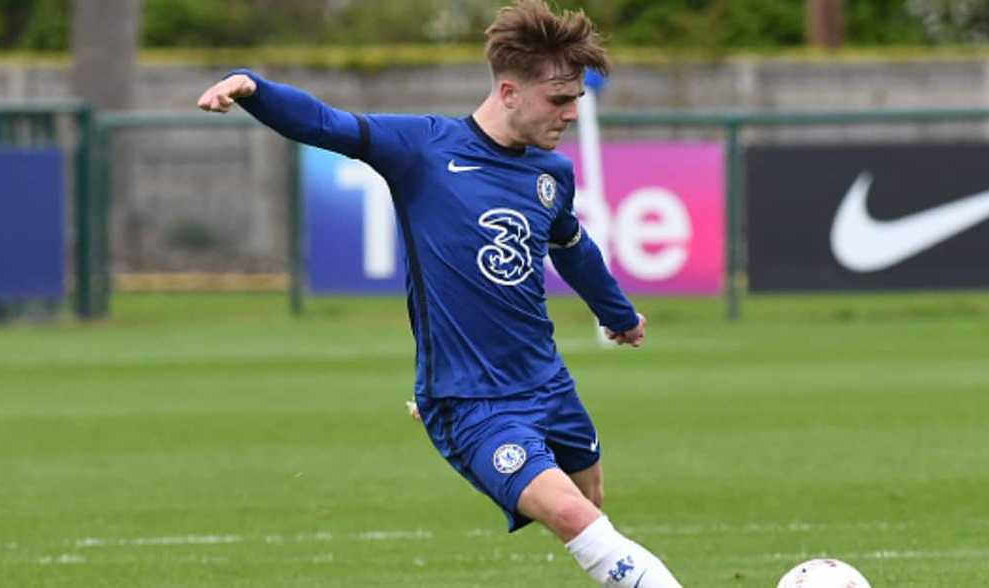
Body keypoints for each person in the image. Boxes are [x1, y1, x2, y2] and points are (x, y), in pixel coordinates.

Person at [197, 1, 682, 585]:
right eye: (560, 100)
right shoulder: (424, 149)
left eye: (576, 98)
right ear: (508, 91)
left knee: (591, 501)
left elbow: (572, 247)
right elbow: (328, 123)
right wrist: (254, 89)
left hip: (548, 381)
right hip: (471, 403)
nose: (572, 113)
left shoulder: (550, 174)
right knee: (575, 517)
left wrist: (618, 314)